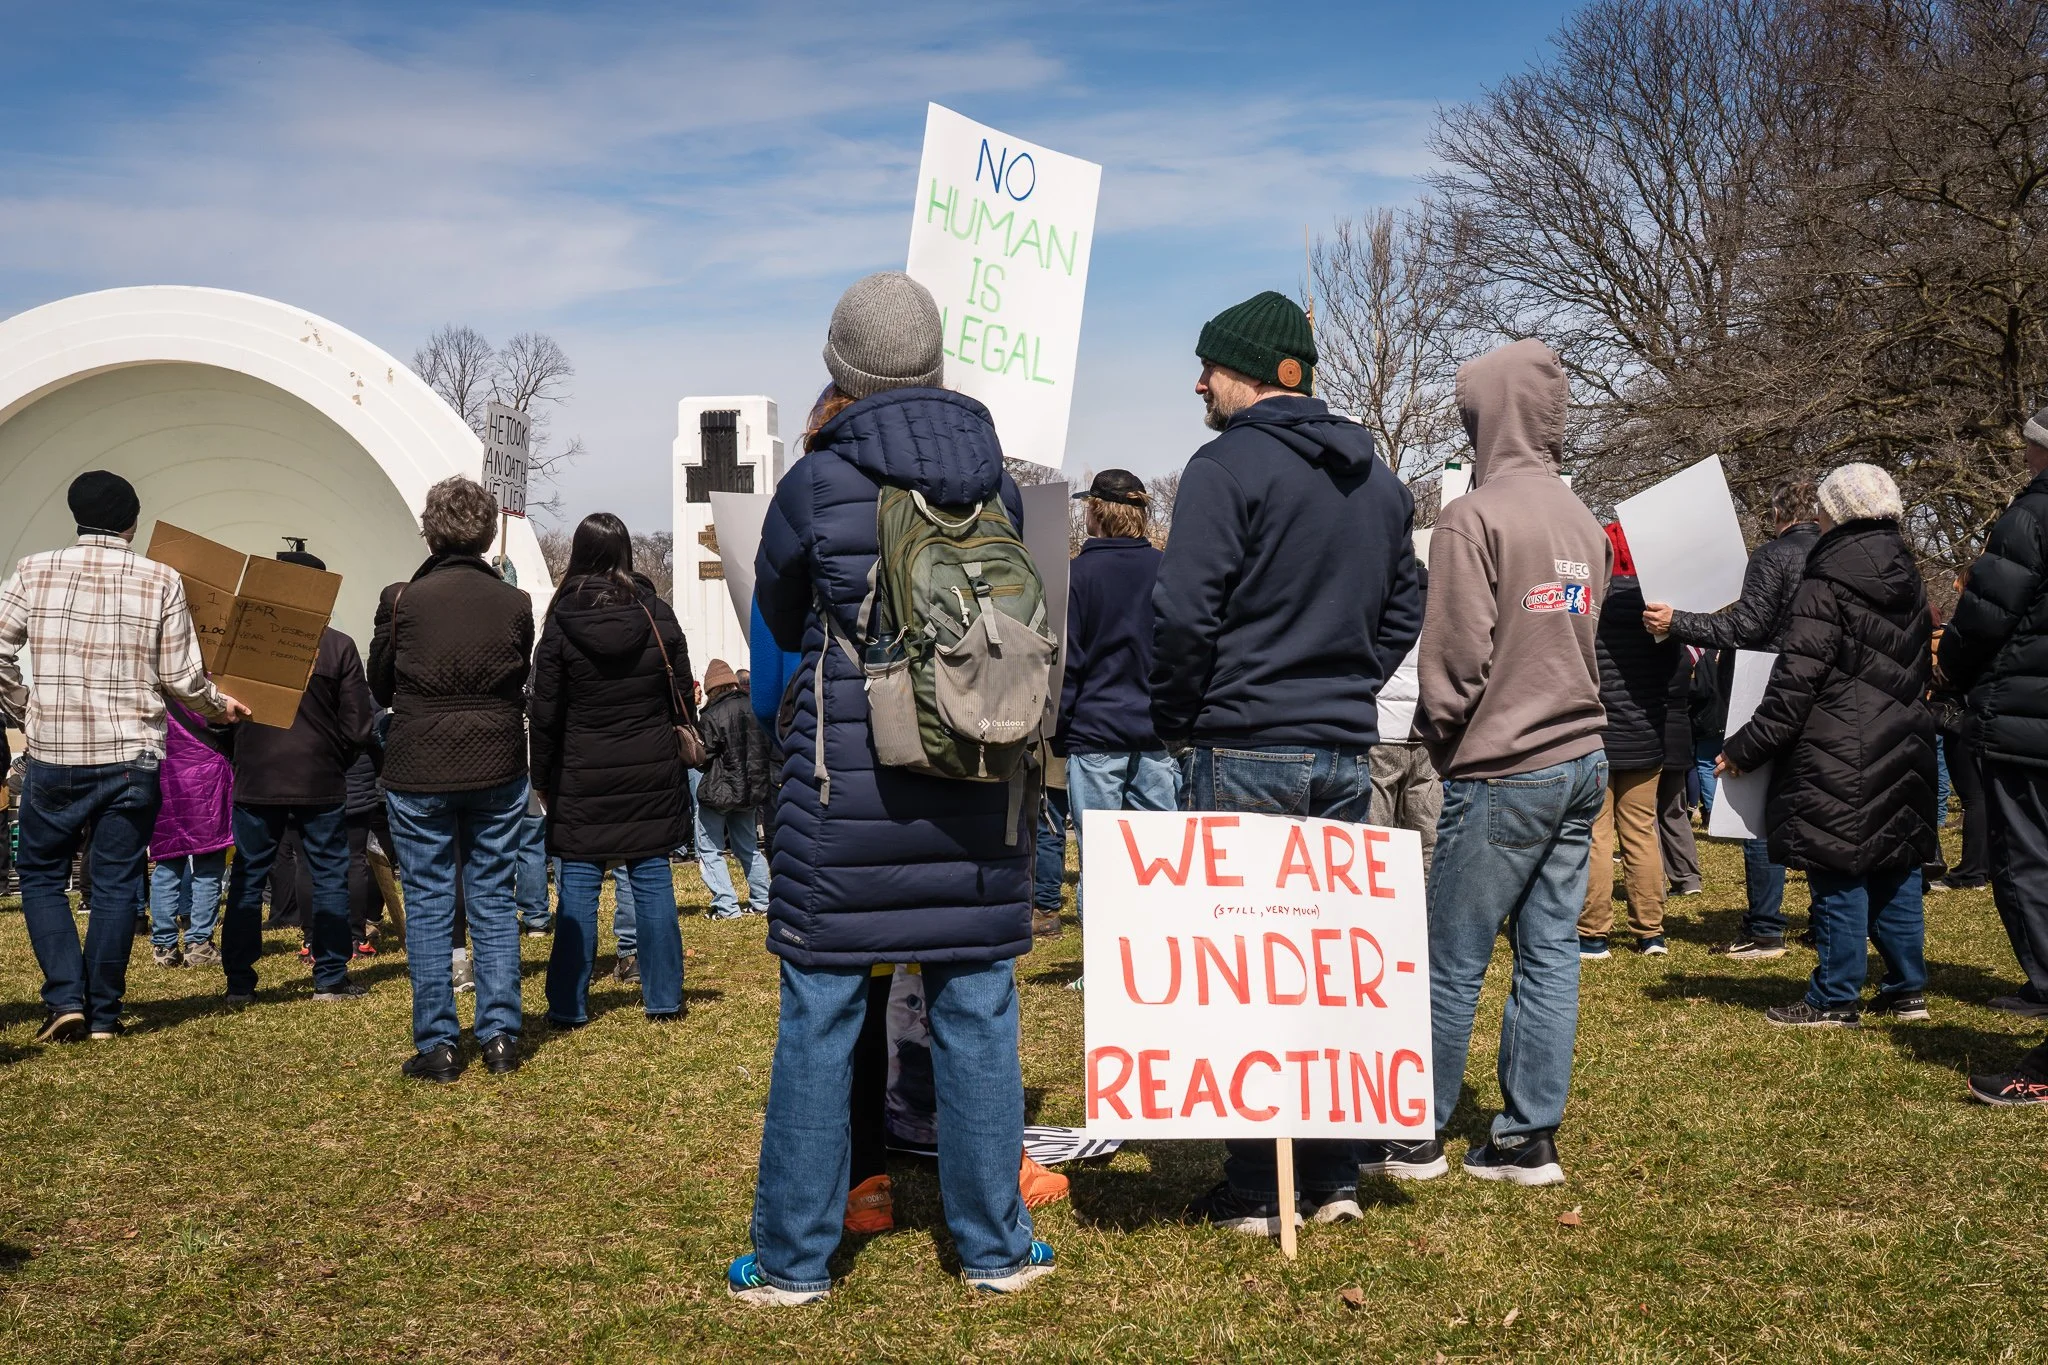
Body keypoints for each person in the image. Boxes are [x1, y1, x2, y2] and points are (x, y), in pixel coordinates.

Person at [728, 272, 1053, 1304]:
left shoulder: (816, 483)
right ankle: (995, 1249)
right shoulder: (994, 481)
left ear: (842, 367)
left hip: (846, 796)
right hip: (974, 777)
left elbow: (775, 618)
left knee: (821, 1016)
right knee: (977, 1008)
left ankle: (792, 1261)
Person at [1151, 290, 1421, 1234]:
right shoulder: (1380, 483)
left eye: (1211, 368)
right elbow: (1406, 600)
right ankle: (1336, 1173)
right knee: (1322, 965)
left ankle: (1258, 1188)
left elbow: (1184, 611)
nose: (1198, 382)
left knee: (1245, 964)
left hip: (1243, 743)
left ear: (1262, 374)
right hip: (1343, 748)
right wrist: (1347, 682)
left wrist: (1184, 710)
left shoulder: (1224, 468)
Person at [1401, 338, 1610, 1189]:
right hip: (1581, 757)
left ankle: (1413, 1133)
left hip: (1504, 765)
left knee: (1451, 954)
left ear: (1486, 415)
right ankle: (1528, 1138)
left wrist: (1445, 740)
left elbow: (1455, 662)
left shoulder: (1474, 515)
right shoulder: (1583, 519)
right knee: (1550, 950)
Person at [0, 471, 251, 1041]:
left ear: (74, 514)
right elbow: (182, 676)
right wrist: (219, 707)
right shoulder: (159, 578)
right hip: (132, 753)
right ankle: (105, 1014)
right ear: (133, 521)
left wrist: (24, 707)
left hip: (55, 752)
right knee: (116, 881)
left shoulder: (35, 571)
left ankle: (66, 999)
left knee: (41, 874)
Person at [1719, 464, 1934, 1027]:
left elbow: (1796, 680)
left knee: (1838, 867)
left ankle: (1836, 996)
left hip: (1837, 746)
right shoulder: (1910, 573)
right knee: (1897, 866)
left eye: (1821, 507)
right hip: (1904, 738)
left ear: (1837, 512)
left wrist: (1746, 746)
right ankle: (1906, 988)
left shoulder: (1826, 578)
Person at [370, 475, 535, 1082]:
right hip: (495, 758)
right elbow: (518, 677)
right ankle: (499, 1036)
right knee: (494, 897)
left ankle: (439, 1042)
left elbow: (379, 686)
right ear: (488, 532)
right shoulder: (514, 604)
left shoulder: (403, 601)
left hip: (421, 765)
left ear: (431, 532)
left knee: (431, 902)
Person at [1644, 478, 1822, 959]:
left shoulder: (1774, 556)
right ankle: (1825, 923)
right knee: (1822, 808)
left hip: (1767, 682)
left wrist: (1677, 621)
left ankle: (1765, 927)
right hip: (1828, 691)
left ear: (1780, 514)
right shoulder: (1837, 553)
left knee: (1755, 809)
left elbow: (1747, 625)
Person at [530, 512, 693, 1027]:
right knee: (651, 877)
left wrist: (541, 776)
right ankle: (663, 997)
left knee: (578, 884)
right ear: (627, 552)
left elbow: (545, 711)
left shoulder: (559, 620)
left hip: (581, 773)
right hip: (650, 769)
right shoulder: (656, 614)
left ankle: (567, 1004)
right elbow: (682, 695)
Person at [1941, 410, 2048, 1100]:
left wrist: (1950, 666)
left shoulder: (2031, 517)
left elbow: (1981, 618)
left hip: (2032, 727)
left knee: (2032, 868)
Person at [220, 548, 377, 1005]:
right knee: (329, 871)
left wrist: (242, 754)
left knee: (249, 877)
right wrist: (335, 757)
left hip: (258, 778)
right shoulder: (338, 645)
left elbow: (216, 715)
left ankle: (240, 984)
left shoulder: (245, 642)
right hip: (319, 778)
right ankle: (329, 978)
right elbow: (359, 726)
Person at [1055, 469, 1178, 916]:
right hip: (1155, 733)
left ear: (1096, 510)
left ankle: (1108, 974)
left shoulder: (1077, 575)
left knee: (1103, 861)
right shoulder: (1167, 569)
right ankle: (1162, 956)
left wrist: (1060, 727)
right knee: (1161, 859)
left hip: (1096, 731)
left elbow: (1068, 662)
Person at [1577, 523, 1675, 959]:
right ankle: (1650, 931)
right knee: (1641, 834)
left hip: (1594, 736)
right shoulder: (1658, 611)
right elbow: (1675, 672)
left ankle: (1594, 932)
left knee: (1595, 836)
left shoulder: (1588, 605)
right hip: (1646, 735)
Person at [1370, 532, 1441, 873]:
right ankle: (1426, 918)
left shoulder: (1376, 594)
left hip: (1379, 729)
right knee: (1428, 838)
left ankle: (1379, 916)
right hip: (1429, 728)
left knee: (1375, 839)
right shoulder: (1444, 595)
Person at [147, 698, 234, 967]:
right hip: (207, 773)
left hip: (165, 775)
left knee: (167, 863)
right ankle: (198, 943)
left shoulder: (155, 680)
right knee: (209, 864)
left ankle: (164, 945)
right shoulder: (212, 684)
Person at [694, 658, 772, 920]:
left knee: (709, 849)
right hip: (751, 788)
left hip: (720, 790)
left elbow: (704, 756)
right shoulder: (754, 707)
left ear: (711, 689)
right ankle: (762, 901)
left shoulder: (711, 715)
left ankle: (726, 907)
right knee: (748, 846)